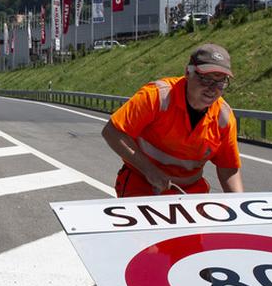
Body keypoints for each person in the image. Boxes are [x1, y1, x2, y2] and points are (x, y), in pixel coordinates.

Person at [102, 43, 243, 196]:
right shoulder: (157, 96)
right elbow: (112, 132)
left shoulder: (224, 116)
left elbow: (228, 168)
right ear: (188, 73)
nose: (212, 88)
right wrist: (150, 171)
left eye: (220, 82)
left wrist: (240, 206)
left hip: (189, 190)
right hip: (142, 184)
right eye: (206, 79)